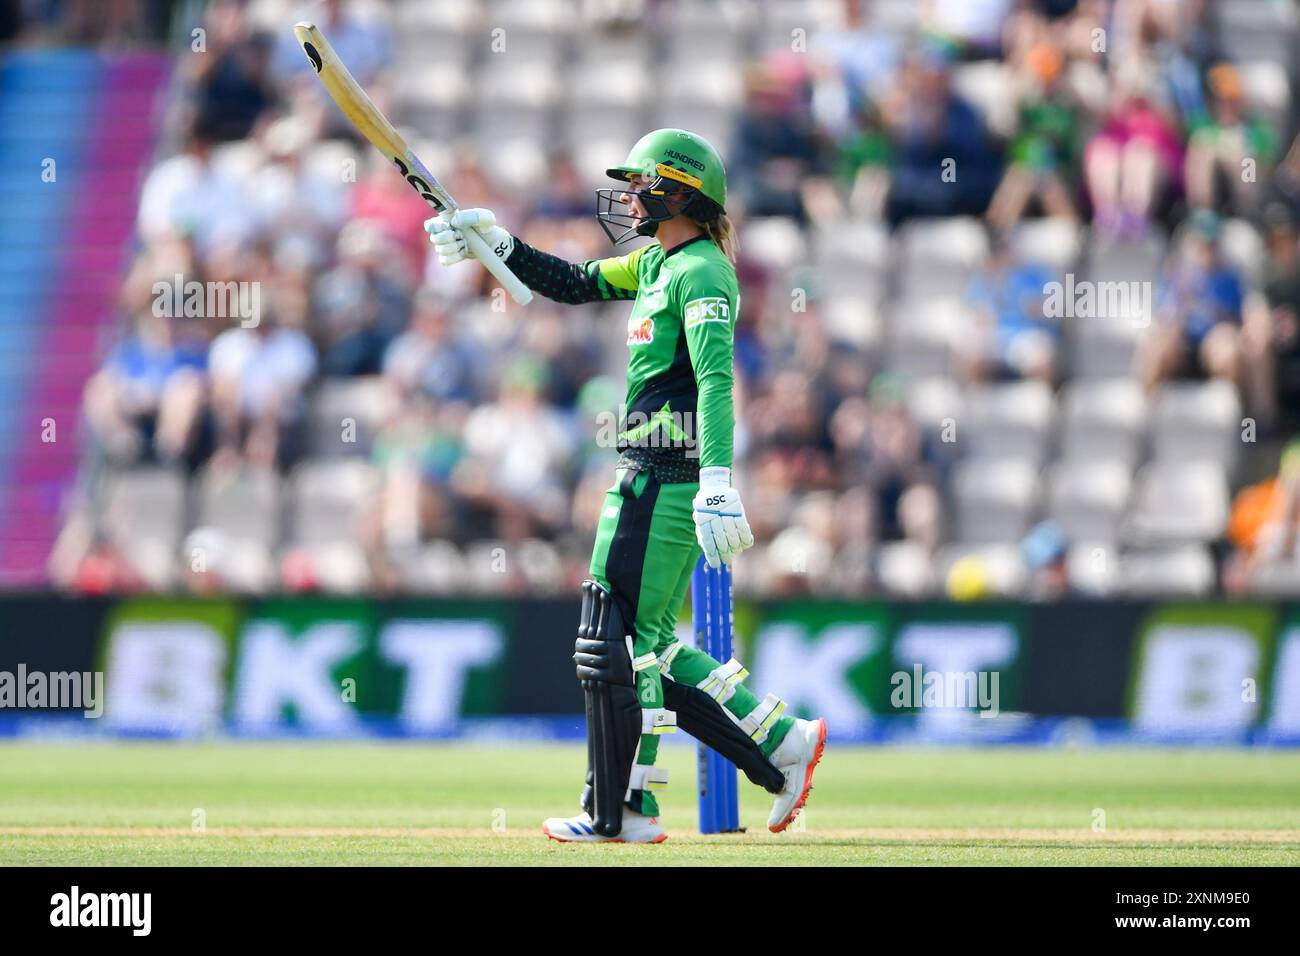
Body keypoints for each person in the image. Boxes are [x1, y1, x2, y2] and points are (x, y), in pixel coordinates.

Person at [426, 129, 827, 843]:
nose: (631, 196)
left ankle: (622, 810)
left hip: (668, 477)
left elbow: (714, 380)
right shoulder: (652, 263)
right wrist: (496, 243)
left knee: (614, 641)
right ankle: (781, 744)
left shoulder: (702, 271)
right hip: (639, 470)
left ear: (681, 190)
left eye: (644, 184)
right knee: (643, 646)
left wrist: (717, 481)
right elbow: (575, 283)